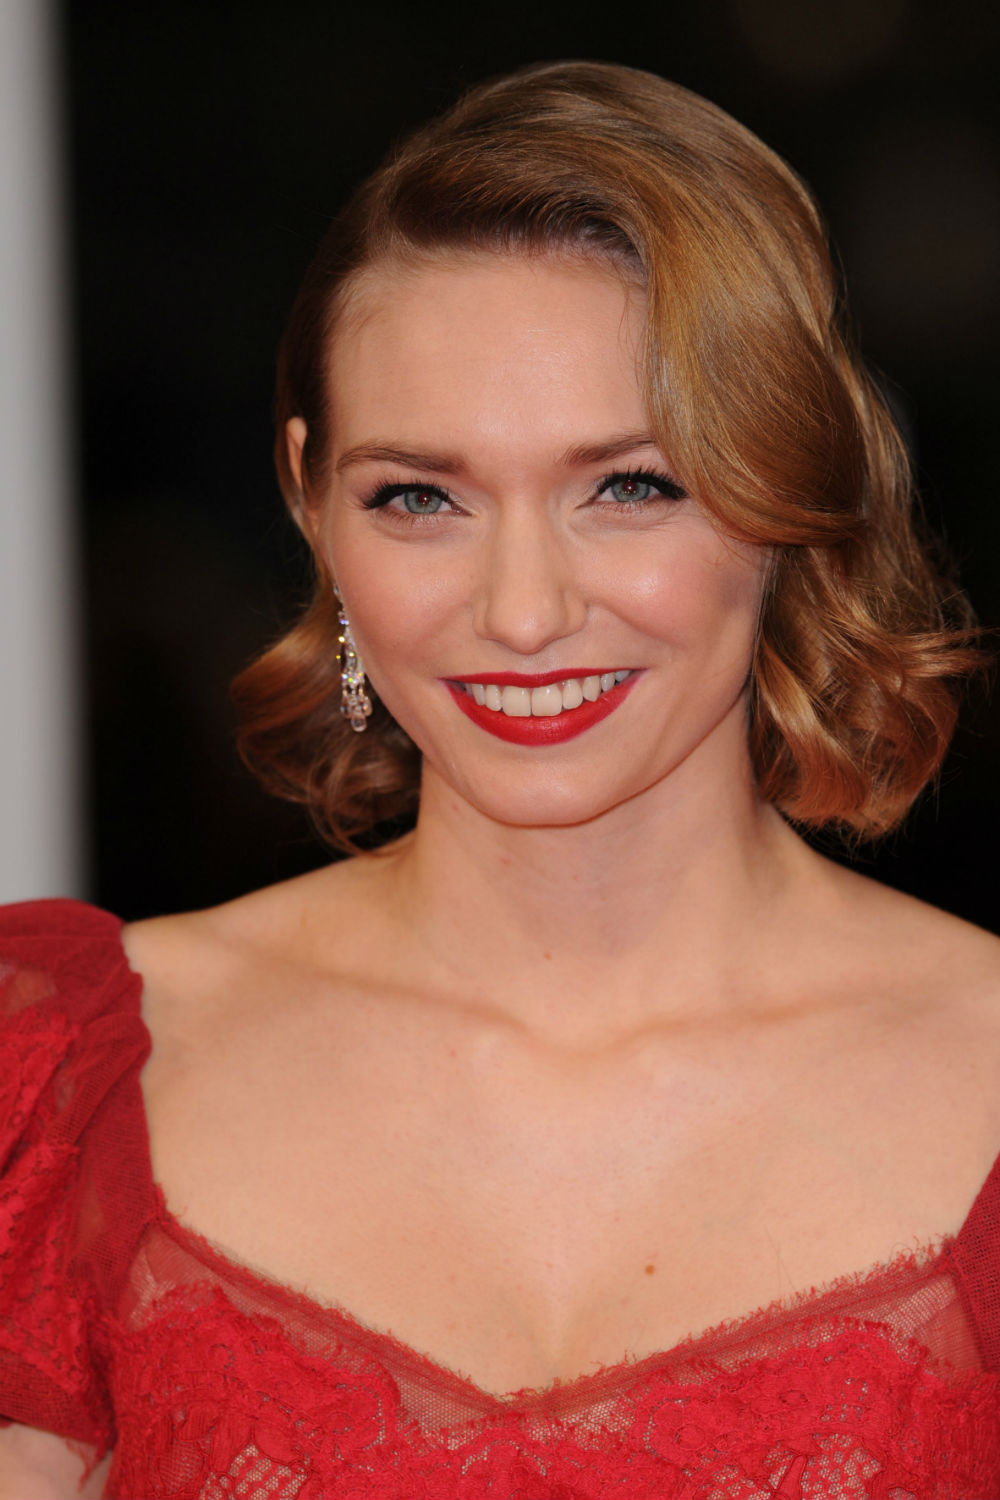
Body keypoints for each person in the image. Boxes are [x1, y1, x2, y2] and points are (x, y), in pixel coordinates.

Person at [1, 59, 998, 1499]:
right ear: (310, 500)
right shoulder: (63, 1085)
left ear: (788, 489)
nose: (523, 612)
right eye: (421, 497)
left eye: (631, 486)